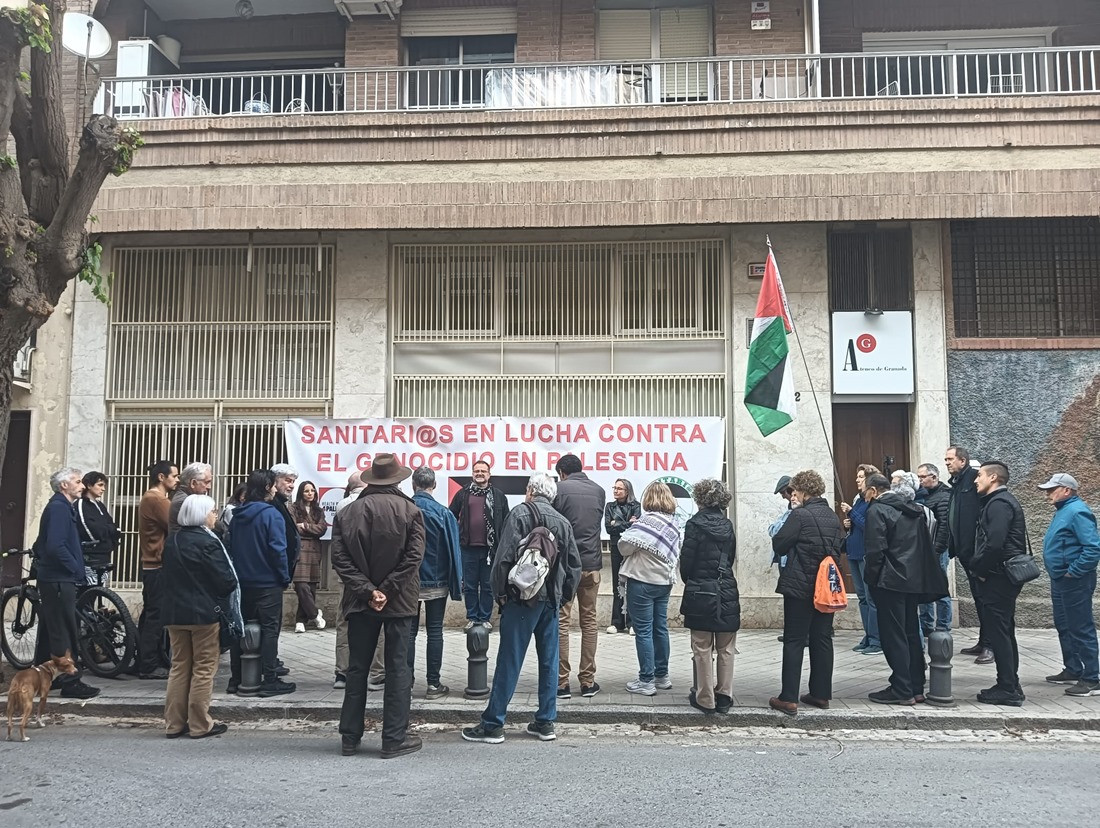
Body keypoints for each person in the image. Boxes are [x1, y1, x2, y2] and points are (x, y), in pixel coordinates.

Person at [461, 473, 581, 744]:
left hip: (521, 600)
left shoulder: (519, 513)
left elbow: (502, 558)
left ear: (530, 490)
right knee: (549, 661)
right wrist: (562, 597)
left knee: (510, 659)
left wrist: (501, 595)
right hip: (550, 602)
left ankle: (493, 724)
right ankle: (546, 722)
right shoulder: (562, 522)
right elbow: (574, 566)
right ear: (552, 495)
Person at [332, 455, 426, 759]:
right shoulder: (411, 511)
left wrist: (368, 591)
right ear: (398, 480)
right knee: (397, 668)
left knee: (357, 668)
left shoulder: (347, 512)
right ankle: (393, 738)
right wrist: (386, 590)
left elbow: (340, 559)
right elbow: (414, 558)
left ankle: (350, 737)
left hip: (360, 601)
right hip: (399, 600)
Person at [863, 473, 949, 705]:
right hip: (912, 580)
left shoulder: (877, 510)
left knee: (893, 635)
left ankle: (901, 689)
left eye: (865, 491)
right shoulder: (913, 509)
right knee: (911, 631)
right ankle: (916, 685)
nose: (864, 496)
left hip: (889, 580)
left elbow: (875, 549)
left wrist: (872, 579)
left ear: (874, 490)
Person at [768, 470, 845, 716]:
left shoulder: (799, 515)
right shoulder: (831, 516)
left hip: (800, 584)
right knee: (822, 638)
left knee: (794, 640)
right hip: (825, 586)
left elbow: (780, 543)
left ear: (802, 491)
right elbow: (839, 546)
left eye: (795, 491)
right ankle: (821, 694)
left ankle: (788, 697)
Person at [162, 494, 239, 740]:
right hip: (204, 614)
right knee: (204, 668)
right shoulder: (208, 542)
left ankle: (174, 723)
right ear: (201, 514)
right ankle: (199, 723)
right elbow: (226, 581)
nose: (215, 515)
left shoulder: (172, 541)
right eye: (212, 511)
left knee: (179, 666)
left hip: (174, 612)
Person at [226, 468, 295, 698]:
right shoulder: (271, 515)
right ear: (267, 487)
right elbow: (278, 549)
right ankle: (270, 679)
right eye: (274, 485)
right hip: (267, 582)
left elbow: (230, 546)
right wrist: (284, 576)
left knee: (240, 629)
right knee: (269, 630)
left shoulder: (238, 515)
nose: (275, 489)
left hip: (243, 581)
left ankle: (236, 678)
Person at [32, 468, 99, 699]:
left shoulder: (60, 507)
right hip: (59, 579)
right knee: (64, 630)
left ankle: (46, 678)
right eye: (77, 482)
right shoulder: (59, 508)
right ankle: (71, 681)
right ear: (64, 486)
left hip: (55, 578)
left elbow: (43, 543)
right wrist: (75, 568)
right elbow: (55, 546)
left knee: (51, 629)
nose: (82, 486)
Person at [678, 479, 739, 715]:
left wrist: (692, 580)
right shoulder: (727, 525)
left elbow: (687, 561)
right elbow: (730, 557)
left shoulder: (694, 525)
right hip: (726, 589)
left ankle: (705, 698)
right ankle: (724, 695)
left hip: (700, 589)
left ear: (700, 499)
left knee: (702, 647)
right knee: (726, 647)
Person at [971, 460, 1028, 707]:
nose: (976, 480)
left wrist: (980, 570)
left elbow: (995, 543)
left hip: (998, 576)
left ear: (993, 478)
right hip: (1001, 575)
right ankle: (1010, 684)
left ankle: (1007, 688)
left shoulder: (999, 503)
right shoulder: (1000, 502)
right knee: (1004, 630)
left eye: (980, 475)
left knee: (999, 632)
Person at [618, 481, 681, 697]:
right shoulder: (674, 524)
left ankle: (646, 680)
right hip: (664, 582)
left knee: (643, 631)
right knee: (660, 628)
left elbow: (624, 547)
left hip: (642, 581)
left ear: (648, 499)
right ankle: (662, 676)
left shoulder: (645, 523)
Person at [1039, 473, 1100, 696]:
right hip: (1061, 579)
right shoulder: (1065, 510)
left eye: (1051, 490)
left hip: (1074, 580)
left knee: (1080, 626)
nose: (1047, 494)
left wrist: (1073, 572)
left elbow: (1092, 548)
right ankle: (1073, 668)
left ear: (1066, 490)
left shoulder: (1077, 511)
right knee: (1064, 624)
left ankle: (1092, 678)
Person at [553, 453, 606, 699]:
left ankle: (561, 682)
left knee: (562, 622)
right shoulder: (599, 491)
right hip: (592, 564)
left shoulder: (559, 490)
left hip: (566, 566)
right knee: (590, 622)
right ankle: (587, 680)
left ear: (562, 472)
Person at [409, 466, 463, 699]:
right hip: (437, 580)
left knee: (408, 633)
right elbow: (453, 550)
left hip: (407, 581)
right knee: (434, 631)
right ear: (434, 485)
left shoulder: (404, 509)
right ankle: (433, 684)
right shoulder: (444, 513)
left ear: (413, 485)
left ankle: (405, 684)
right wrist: (456, 584)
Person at [333, 470, 382, 691]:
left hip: (348, 575)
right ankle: (377, 672)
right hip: (373, 574)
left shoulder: (342, 506)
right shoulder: (375, 505)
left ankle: (342, 672)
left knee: (344, 622)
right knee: (379, 622)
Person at [449, 459, 510, 632]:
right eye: (477, 471)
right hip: (467, 548)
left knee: (487, 585)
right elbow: (451, 515)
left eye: (483, 471)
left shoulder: (498, 496)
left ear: (489, 475)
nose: (480, 474)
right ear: (472, 474)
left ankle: (484, 618)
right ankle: (472, 617)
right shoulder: (463, 494)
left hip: (490, 550)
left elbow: (506, 520)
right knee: (469, 586)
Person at [946, 445, 992, 664]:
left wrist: (977, 550)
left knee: (986, 600)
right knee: (978, 598)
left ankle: (991, 645)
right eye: (946, 459)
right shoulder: (958, 483)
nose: (947, 463)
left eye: (950, 459)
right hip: (965, 552)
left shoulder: (974, 479)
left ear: (962, 461)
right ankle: (983, 641)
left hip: (976, 553)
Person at [137, 459, 179, 680]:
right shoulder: (156, 499)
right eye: (174, 476)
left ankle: (144, 659)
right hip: (157, 564)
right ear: (161, 477)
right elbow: (176, 524)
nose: (177, 480)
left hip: (152, 564)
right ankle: (148, 664)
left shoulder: (151, 497)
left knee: (151, 614)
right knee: (156, 616)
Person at [839, 464, 881, 655]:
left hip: (866, 554)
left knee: (872, 598)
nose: (857, 479)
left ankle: (877, 639)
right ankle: (868, 635)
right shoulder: (859, 501)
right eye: (857, 476)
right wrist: (848, 524)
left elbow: (870, 526)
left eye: (861, 476)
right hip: (854, 553)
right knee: (862, 598)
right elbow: (856, 524)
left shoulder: (874, 502)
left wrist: (851, 513)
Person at [917, 463, 953, 638]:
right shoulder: (923, 495)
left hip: (937, 550)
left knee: (940, 588)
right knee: (924, 588)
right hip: (925, 550)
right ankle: (926, 625)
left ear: (934, 477)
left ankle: (943, 627)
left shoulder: (944, 496)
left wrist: (937, 550)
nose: (920, 480)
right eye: (918, 477)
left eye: (923, 477)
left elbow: (944, 527)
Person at [290, 480, 327, 634]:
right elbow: (293, 528)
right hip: (299, 550)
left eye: (312, 490)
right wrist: (312, 529)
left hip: (314, 549)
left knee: (311, 587)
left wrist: (305, 526)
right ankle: (315, 614)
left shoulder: (318, 510)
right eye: (306, 491)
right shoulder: (293, 508)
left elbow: (322, 529)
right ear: (301, 493)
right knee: (301, 585)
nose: (310, 493)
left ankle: (300, 621)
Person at [603, 478, 640, 634]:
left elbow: (636, 527)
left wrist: (616, 523)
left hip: (631, 548)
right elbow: (608, 528)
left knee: (631, 583)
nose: (616, 491)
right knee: (617, 583)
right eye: (615, 488)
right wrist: (627, 523)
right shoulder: (609, 506)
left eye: (619, 488)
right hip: (615, 547)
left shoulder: (636, 506)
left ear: (627, 491)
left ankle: (632, 623)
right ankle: (616, 622)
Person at [75, 471, 121, 586]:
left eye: (104, 485)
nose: (103, 489)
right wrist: (107, 533)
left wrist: (111, 536)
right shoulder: (81, 504)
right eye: (100, 485)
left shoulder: (100, 505)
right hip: (90, 557)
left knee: (99, 589)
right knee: (88, 590)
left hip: (104, 555)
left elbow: (114, 527)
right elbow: (89, 528)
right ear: (89, 485)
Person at [269, 463, 302, 592]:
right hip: (271, 575)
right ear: (274, 481)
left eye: (293, 481)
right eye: (287, 480)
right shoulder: (271, 504)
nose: (292, 485)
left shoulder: (281, 503)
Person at [168, 462, 213, 535]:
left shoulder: (183, 497)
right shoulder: (185, 501)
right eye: (206, 482)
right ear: (193, 483)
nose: (209, 487)